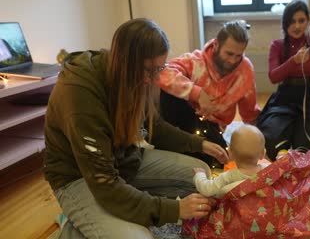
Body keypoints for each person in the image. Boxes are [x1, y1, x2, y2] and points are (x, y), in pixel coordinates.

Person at [43, 18, 229, 239]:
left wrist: (200, 144)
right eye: (149, 70)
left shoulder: (132, 77)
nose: (154, 78)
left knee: (199, 174)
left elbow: (154, 127)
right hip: (79, 178)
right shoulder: (79, 94)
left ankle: (103, 217)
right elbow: (104, 183)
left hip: (121, 163)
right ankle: (77, 226)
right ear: (125, 62)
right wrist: (173, 210)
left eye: (160, 68)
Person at [158, 20, 261, 166]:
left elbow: (249, 111)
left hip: (212, 128)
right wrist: (197, 93)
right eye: (229, 53)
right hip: (184, 117)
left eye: (239, 55)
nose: (233, 60)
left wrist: (256, 138)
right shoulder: (194, 61)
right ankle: (171, 143)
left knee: (218, 161)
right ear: (216, 45)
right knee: (168, 93)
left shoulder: (246, 70)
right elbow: (162, 74)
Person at [256, 0, 310, 160]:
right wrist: (293, 62)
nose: (296, 26)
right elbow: (273, 77)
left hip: (309, 102)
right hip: (283, 102)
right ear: (285, 24)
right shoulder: (277, 45)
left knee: (308, 144)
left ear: (308, 22)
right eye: (292, 21)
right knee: (271, 140)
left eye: (301, 21)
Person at [192, 124, 268, 198]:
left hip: (234, 209)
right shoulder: (269, 170)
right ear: (263, 154)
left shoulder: (228, 177)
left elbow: (207, 189)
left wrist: (199, 175)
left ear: (230, 154)